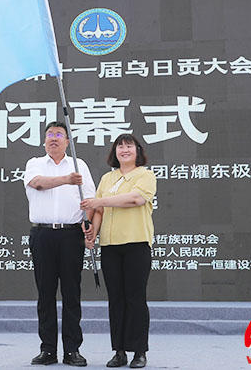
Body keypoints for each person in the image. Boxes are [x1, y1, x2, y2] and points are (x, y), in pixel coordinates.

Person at [80, 134, 156, 369]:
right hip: (110, 246)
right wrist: (93, 233)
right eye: (120, 146)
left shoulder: (145, 175)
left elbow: (135, 199)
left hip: (136, 243)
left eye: (129, 146)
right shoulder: (107, 178)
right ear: (114, 153)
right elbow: (99, 211)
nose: (124, 150)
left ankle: (139, 352)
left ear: (137, 151)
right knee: (116, 300)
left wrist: (100, 202)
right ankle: (119, 351)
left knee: (135, 298)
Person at [24, 121, 96, 367]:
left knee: (71, 294)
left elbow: (91, 201)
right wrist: (66, 179)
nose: (54, 138)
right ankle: (48, 350)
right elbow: (38, 184)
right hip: (42, 235)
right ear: (44, 141)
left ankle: (72, 350)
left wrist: (92, 227)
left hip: (70, 236)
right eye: (50, 135)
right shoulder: (35, 164)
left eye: (59, 135)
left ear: (68, 141)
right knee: (45, 294)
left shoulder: (80, 166)